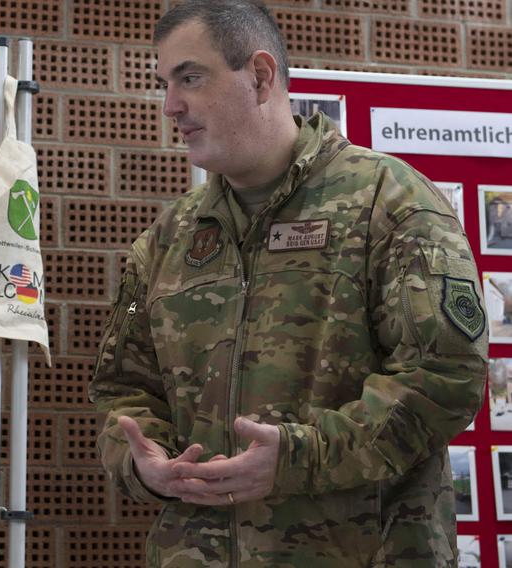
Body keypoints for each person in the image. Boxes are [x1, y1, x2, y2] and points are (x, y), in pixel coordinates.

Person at [89, 1, 488, 566]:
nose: (170, 106)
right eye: (165, 84)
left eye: (190, 78)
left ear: (259, 76)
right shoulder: (168, 238)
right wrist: (144, 463)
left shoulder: (388, 201)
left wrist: (302, 456)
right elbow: (120, 391)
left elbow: (446, 377)